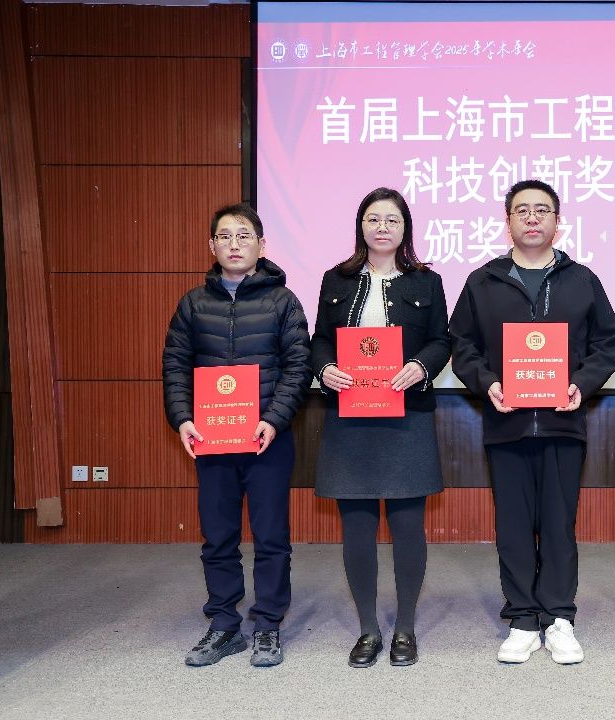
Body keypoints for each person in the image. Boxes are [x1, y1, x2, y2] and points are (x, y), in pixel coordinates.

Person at [450, 179, 615, 665]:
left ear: (557, 222)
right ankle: (523, 618)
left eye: (541, 210)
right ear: (507, 221)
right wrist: (488, 384)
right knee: (513, 525)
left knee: (559, 523)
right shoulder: (483, 281)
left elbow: (607, 343)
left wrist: (581, 384)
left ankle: (560, 616)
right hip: (506, 424)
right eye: (521, 210)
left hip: (564, 422)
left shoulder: (582, 280)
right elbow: (462, 346)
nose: (531, 217)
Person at [163, 203, 311, 667]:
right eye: (224, 236)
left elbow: (298, 367)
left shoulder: (283, 302)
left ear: (261, 246)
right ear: (211, 246)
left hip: (267, 438)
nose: (234, 244)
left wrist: (274, 419)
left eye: (243, 235)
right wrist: (182, 418)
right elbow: (175, 365)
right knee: (218, 536)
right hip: (212, 439)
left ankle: (267, 624)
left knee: (271, 537)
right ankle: (224, 623)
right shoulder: (193, 303)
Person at [311, 187, 450, 668]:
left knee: (408, 525)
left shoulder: (427, 282)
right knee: (357, 526)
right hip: (350, 418)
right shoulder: (336, 279)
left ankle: (405, 627)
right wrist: (324, 368)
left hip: (406, 416)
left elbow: (441, 340)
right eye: (373, 219)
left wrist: (421, 366)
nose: (382, 227)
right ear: (361, 226)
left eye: (392, 219)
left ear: (405, 228)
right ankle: (369, 629)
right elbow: (319, 340)